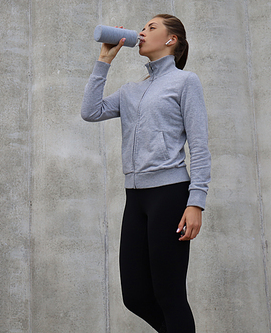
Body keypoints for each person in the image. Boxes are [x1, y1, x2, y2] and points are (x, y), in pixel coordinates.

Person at [81, 14, 211, 333]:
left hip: (170, 194)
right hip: (135, 197)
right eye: (142, 27)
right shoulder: (130, 91)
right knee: (136, 296)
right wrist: (104, 61)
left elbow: (200, 145)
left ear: (171, 40)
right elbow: (90, 111)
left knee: (170, 295)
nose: (142, 32)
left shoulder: (184, 81)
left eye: (151, 28)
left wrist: (196, 202)